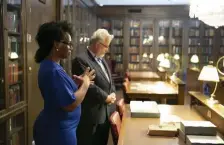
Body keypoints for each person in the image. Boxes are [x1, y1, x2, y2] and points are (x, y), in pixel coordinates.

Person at [33, 21, 95, 145]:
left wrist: (75, 84)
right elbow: (70, 104)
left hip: (57, 128)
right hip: (57, 133)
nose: (71, 47)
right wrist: (86, 84)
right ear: (56, 44)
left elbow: (58, 94)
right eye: (69, 44)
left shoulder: (51, 66)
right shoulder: (53, 70)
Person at [72, 29, 116, 145]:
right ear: (97, 45)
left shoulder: (101, 59)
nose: (107, 49)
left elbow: (109, 81)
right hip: (91, 117)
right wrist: (106, 97)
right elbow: (89, 86)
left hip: (105, 114)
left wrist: (113, 93)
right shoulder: (81, 60)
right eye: (106, 46)